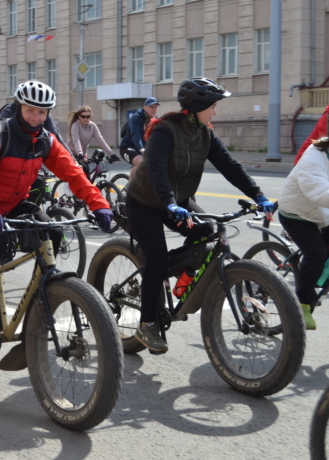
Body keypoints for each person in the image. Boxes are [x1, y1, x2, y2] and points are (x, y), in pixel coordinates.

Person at [0, 80, 114, 358]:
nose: (36, 118)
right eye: (30, 111)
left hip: (15, 204)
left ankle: (41, 301)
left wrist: (98, 204)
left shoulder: (45, 141)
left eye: (42, 113)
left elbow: (73, 174)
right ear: (19, 107)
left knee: (52, 232)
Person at [125, 78, 275, 353]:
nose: (215, 112)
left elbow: (230, 166)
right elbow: (156, 169)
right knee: (156, 263)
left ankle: (182, 275)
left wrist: (259, 196)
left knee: (207, 231)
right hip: (145, 202)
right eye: (213, 107)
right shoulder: (165, 130)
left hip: (178, 201)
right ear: (198, 107)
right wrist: (169, 203)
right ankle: (147, 324)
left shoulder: (205, 134)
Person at [278, 136, 329, 330]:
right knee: (316, 254)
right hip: (296, 213)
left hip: (323, 212)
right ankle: (303, 304)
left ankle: (318, 279)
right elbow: (318, 192)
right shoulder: (314, 155)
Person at [119, 97, 160, 178]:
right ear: (144, 107)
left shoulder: (154, 120)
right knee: (141, 162)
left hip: (144, 150)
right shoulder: (136, 118)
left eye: (155, 107)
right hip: (128, 148)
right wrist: (141, 148)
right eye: (151, 107)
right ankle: (130, 188)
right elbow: (135, 134)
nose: (154, 109)